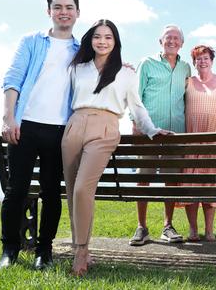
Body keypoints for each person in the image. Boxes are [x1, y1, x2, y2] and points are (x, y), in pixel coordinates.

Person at [61, 19, 170, 276]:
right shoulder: (77, 68)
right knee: (71, 190)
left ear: (115, 41)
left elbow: (137, 107)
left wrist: (152, 129)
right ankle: (82, 247)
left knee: (81, 189)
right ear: (90, 40)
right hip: (74, 126)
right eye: (97, 36)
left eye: (108, 37)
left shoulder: (126, 72)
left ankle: (81, 251)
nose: (102, 41)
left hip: (106, 129)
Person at [0, 0, 80, 270]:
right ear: (49, 12)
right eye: (58, 7)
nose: (63, 11)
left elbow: (104, 70)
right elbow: (13, 78)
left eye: (69, 7)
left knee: (51, 193)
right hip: (25, 126)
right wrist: (9, 118)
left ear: (77, 13)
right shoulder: (32, 41)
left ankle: (44, 251)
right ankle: (10, 249)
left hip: (60, 131)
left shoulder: (82, 51)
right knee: (16, 190)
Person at [129, 25, 192, 246]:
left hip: (175, 133)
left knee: (171, 180)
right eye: (168, 38)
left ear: (182, 43)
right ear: (160, 42)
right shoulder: (147, 64)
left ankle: (167, 226)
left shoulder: (185, 67)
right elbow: (134, 95)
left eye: (176, 38)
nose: (172, 41)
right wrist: (136, 123)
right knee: (143, 178)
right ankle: (141, 227)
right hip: (149, 132)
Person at [178, 45, 216, 242]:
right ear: (193, 62)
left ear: (212, 60)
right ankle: (193, 230)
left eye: (206, 58)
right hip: (191, 140)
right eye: (198, 58)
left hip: (213, 141)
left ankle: (209, 231)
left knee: (211, 186)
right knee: (190, 185)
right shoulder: (188, 82)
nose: (202, 61)